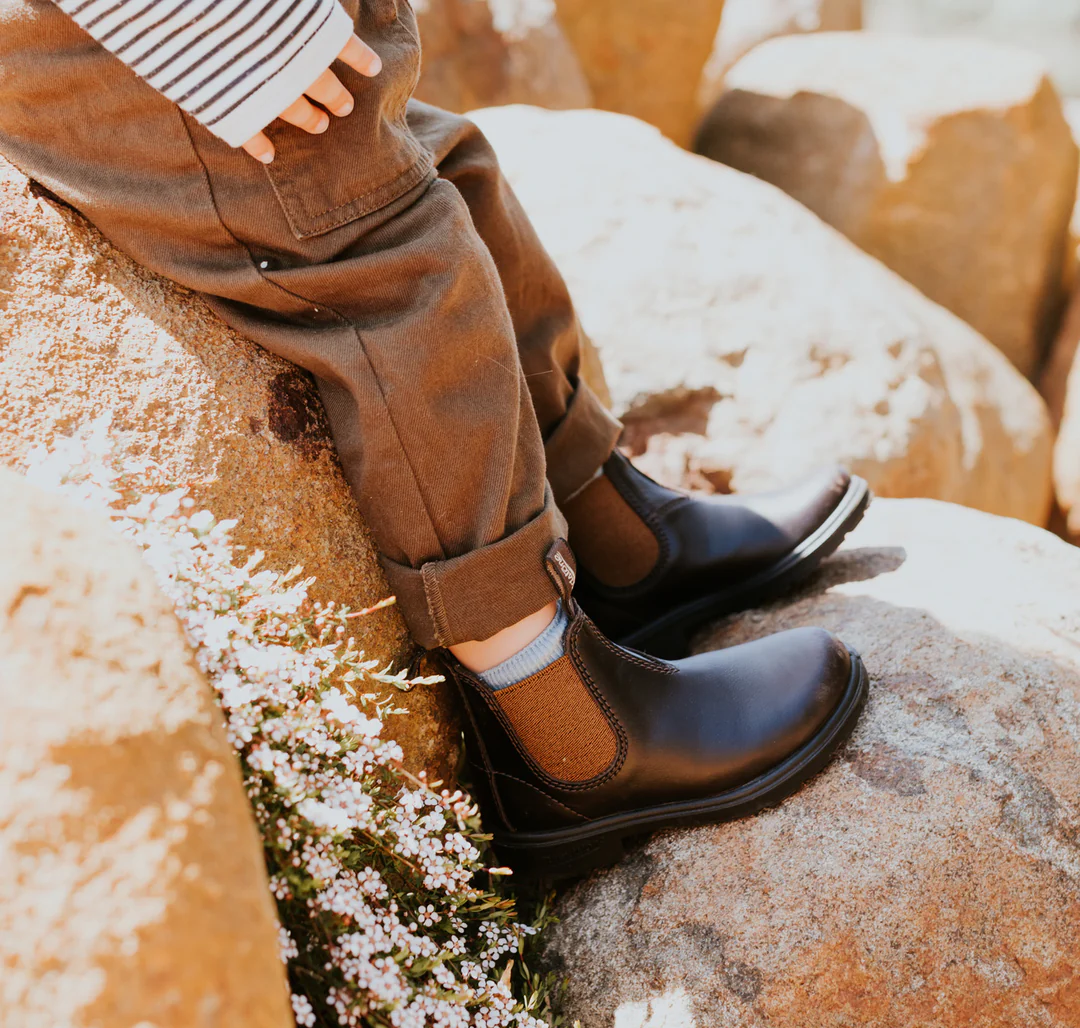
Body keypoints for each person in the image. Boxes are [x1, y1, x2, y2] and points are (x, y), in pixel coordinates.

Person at [0, 0, 870, 877]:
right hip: (171, 37)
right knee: (395, 271)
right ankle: (567, 733)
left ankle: (616, 540)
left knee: (444, 165)